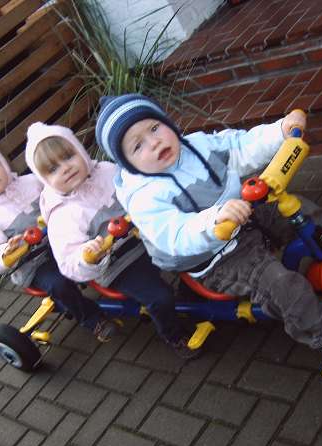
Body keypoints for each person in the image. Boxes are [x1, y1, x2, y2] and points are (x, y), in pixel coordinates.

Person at [95, 93, 322, 361]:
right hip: (216, 256)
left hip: (244, 215)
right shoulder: (145, 197)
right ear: (127, 163)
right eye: (137, 145)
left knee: (299, 210)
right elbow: (175, 234)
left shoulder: (197, 145)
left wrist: (281, 131)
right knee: (279, 282)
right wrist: (214, 220)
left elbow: (240, 146)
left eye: (154, 128)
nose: (154, 142)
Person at [24, 122, 199, 359]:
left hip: (145, 237)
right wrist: (87, 256)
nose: (66, 168)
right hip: (118, 263)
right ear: (43, 179)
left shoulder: (107, 171)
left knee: (192, 249)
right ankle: (173, 334)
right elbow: (68, 262)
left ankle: (191, 295)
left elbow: (139, 185)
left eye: (68, 157)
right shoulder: (62, 215)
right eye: (53, 169)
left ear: (80, 150)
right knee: (159, 296)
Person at [0, 138, 114, 342]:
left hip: (62, 243)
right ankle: (91, 318)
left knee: (98, 244)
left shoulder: (32, 182)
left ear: (2, 162)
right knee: (59, 284)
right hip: (35, 263)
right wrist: (5, 252)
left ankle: (119, 278)